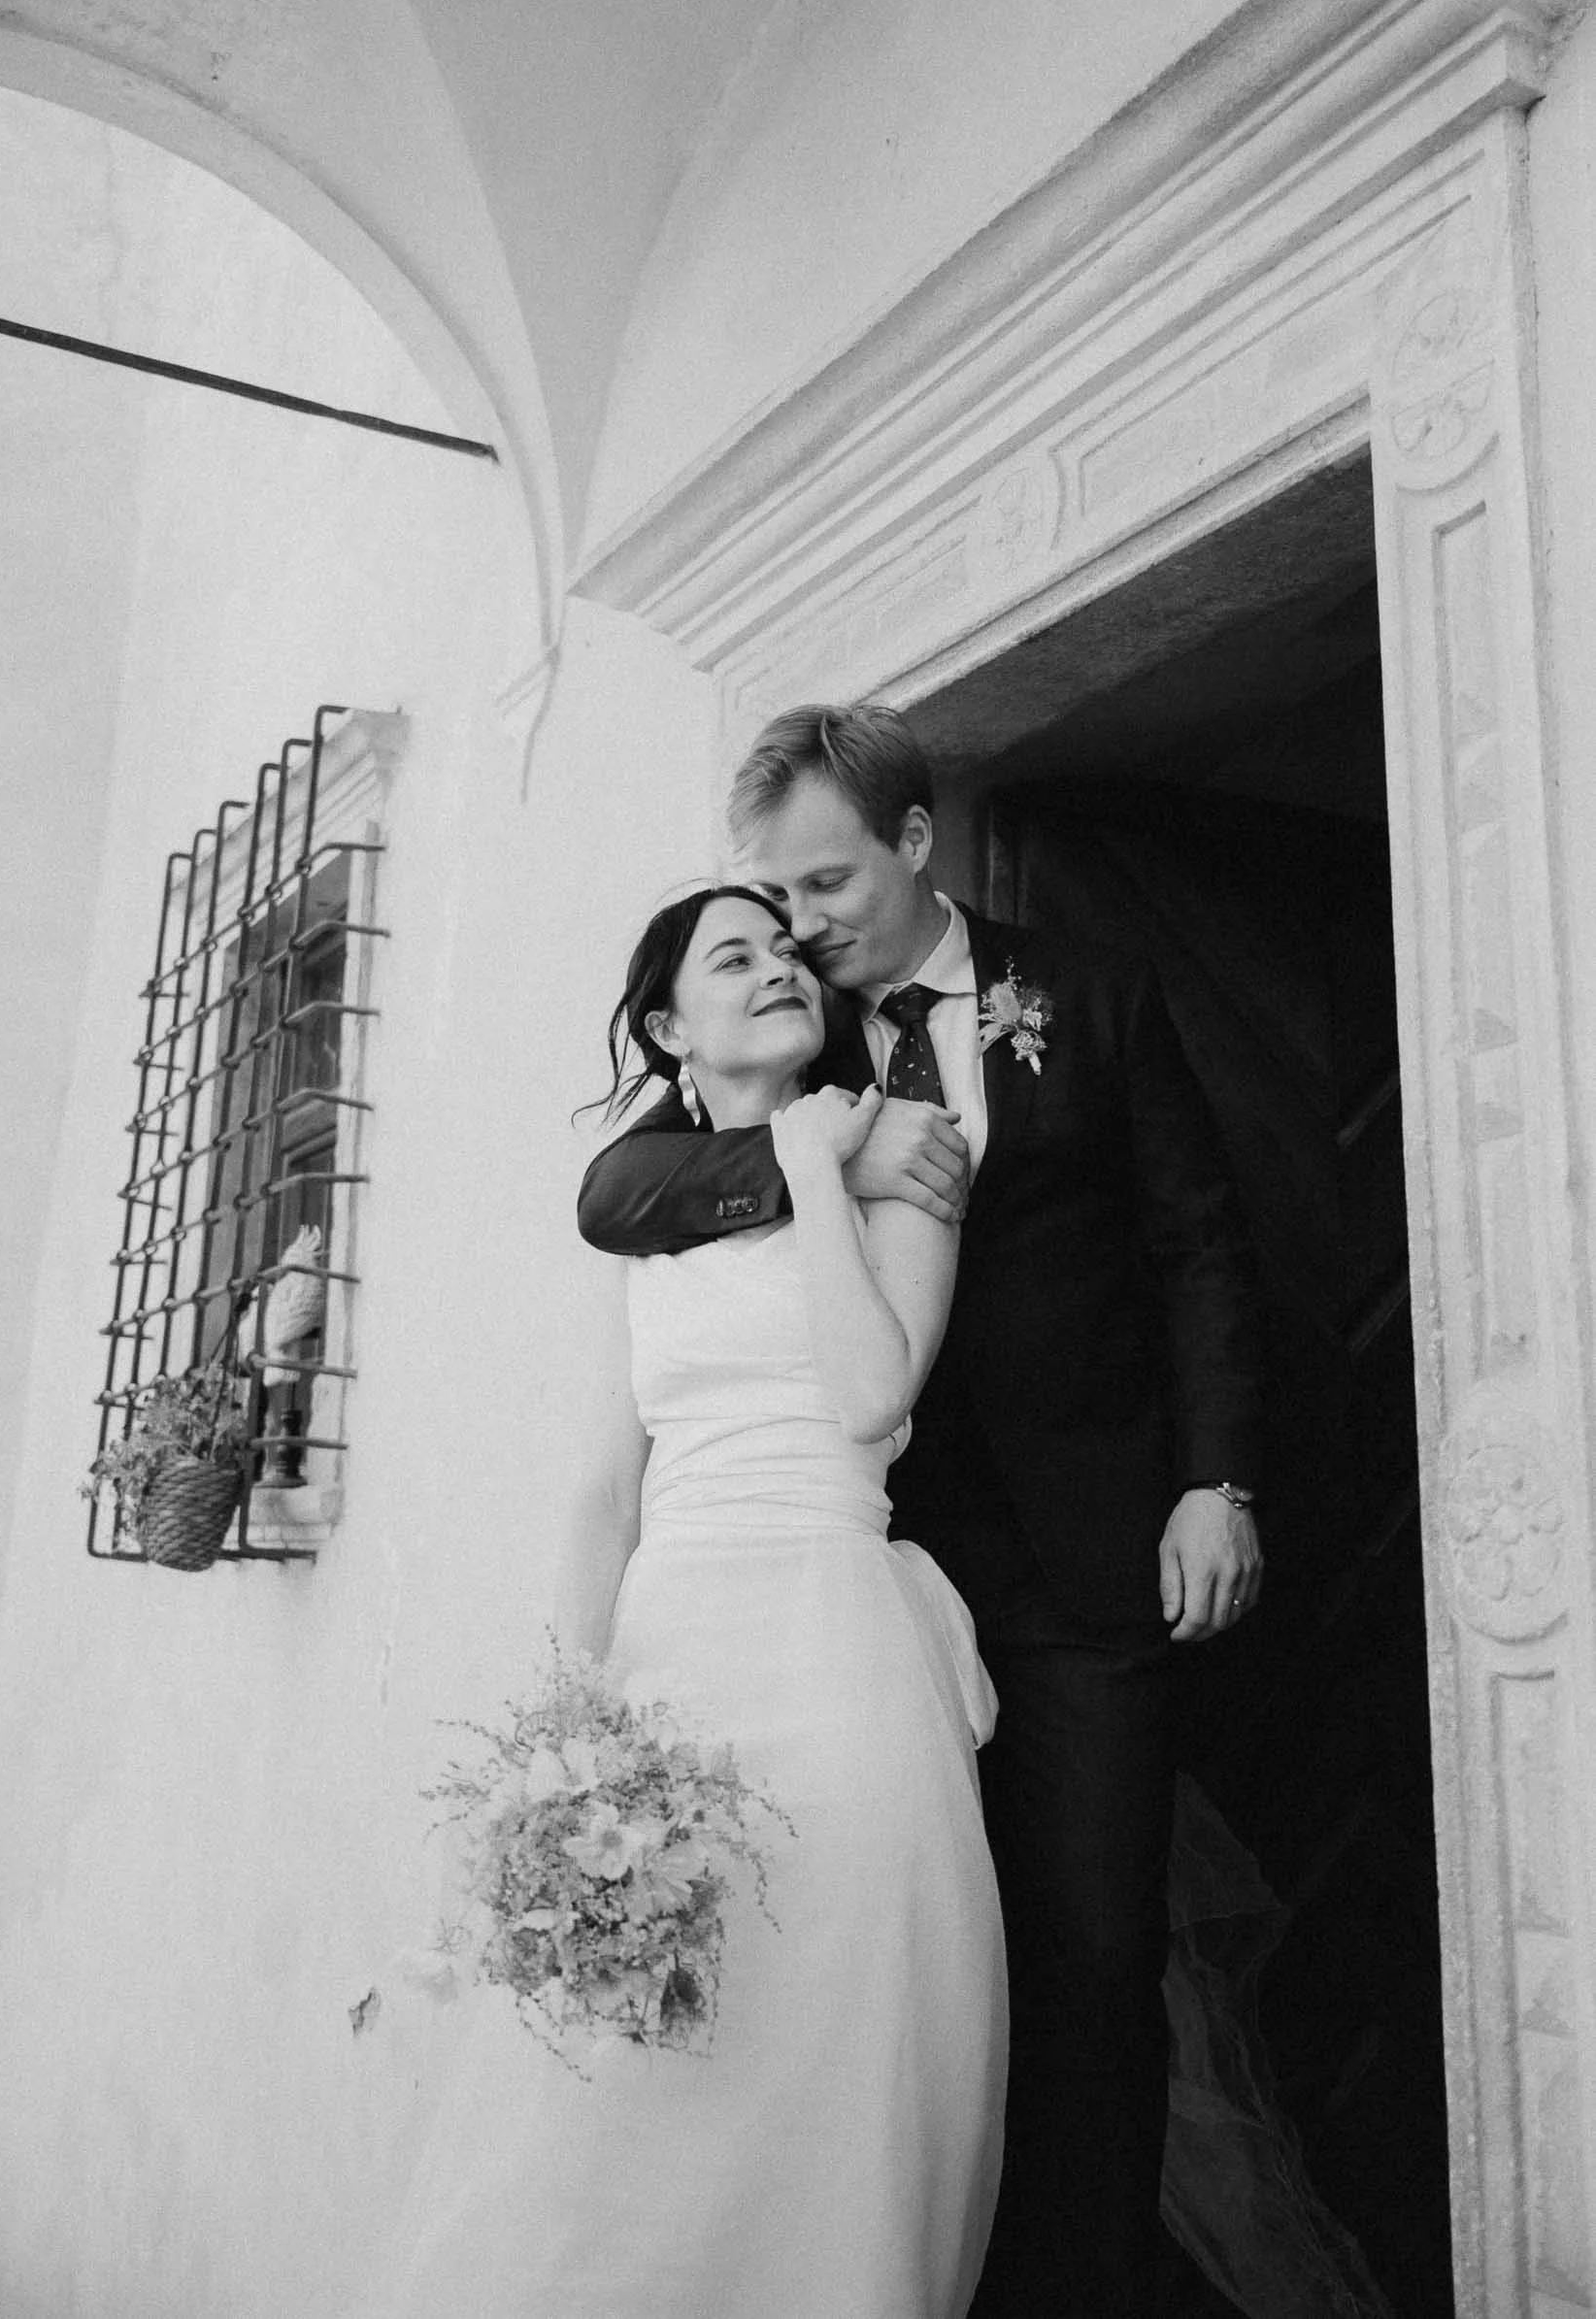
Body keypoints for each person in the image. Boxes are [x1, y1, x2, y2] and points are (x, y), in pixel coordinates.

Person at [577, 707, 1264, 2319]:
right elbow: (618, 1195)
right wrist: (850, 1142)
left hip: (1094, 1560)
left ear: (912, 840)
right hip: (873, 1578)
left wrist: (1214, 1480)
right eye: (775, 900)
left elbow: (1200, 1250)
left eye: (825, 882)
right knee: (868, 1975)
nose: (800, 927)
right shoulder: (796, 1040)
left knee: (1091, 1961)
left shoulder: (1083, 992)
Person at [372, 885, 1006, 2319]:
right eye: (737, 957)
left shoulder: (900, 1161)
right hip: (673, 1650)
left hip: (836, 1642)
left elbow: (866, 1394)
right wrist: (563, 1713)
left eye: (789, 951)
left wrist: (813, 1160)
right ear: (669, 1025)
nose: (779, 966)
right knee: (626, 2079)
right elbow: (604, 1487)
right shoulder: (645, 1219)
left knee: (823, 2057)